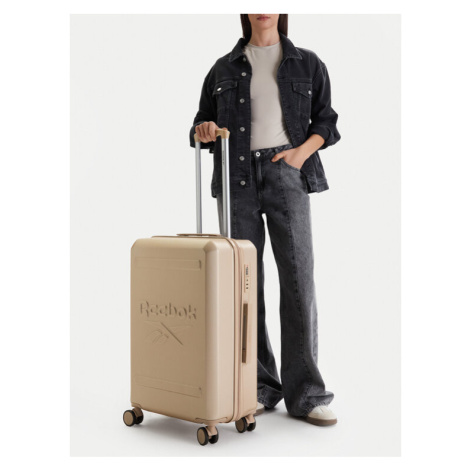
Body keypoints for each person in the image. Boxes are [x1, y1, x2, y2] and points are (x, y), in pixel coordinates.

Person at [189, 14, 341, 426]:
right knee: (243, 286)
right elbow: (199, 124)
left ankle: (307, 394)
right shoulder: (222, 69)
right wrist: (205, 129)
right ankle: (257, 387)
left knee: (297, 279)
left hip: (285, 173)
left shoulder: (307, 62)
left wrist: (298, 155)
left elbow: (326, 121)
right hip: (235, 179)